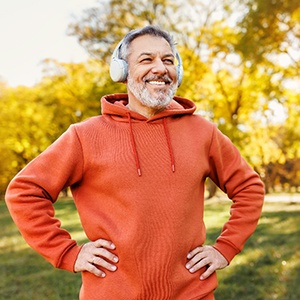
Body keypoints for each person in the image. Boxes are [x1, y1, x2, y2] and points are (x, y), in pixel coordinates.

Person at [5, 25, 264, 300]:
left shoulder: (204, 132)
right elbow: (24, 192)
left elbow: (249, 188)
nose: (160, 68)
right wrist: (68, 252)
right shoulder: (84, 136)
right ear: (122, 71)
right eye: (146, 59)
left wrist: (226, 247)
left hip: (193, 294)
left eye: (168, 60)